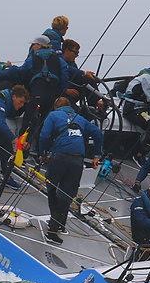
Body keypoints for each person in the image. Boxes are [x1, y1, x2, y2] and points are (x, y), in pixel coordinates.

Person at [39, 97, 103, 244]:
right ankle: (61, 223)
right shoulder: (80, 118)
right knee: (67, 193)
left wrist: (42, 153)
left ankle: (52, 229)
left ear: (56, 107)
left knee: (52, 189)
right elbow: (98, 134)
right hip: (77, 160)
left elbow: (44, 136)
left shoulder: (53, 115)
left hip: (59, 157)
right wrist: (96, 155)